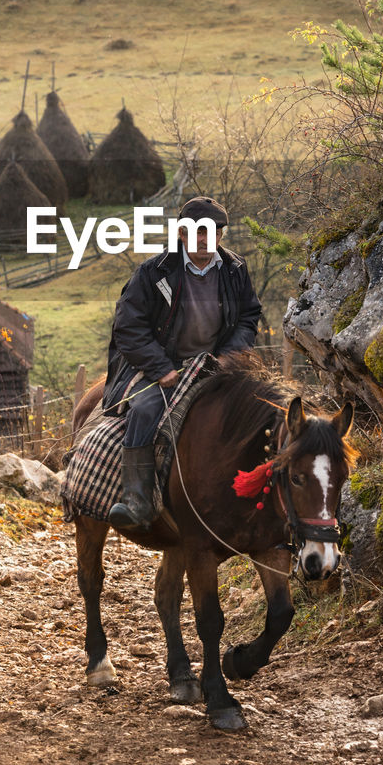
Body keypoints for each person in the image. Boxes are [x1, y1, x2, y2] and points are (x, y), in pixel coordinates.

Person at [104, 195, 262, 530]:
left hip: (214, 363)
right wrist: (161, 369)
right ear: (181, 233)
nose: (203, 238)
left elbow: (249, 316)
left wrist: (228, 358)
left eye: (210, 231)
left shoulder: (235, 270)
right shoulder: (152, 273)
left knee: (254, 410)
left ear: (221, 235)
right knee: (145, 409)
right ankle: (137, 500)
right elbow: (128, 327)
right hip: (164, 365)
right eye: (195, 231)